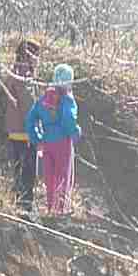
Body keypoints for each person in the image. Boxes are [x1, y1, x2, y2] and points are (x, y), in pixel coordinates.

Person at [25, 64, 81, 216]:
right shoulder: (67, 99)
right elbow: (69, 119)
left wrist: (37, 138)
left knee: (49, 177)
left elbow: (30, 119)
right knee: (64, 175)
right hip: (63, 142)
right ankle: (61, 210)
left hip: (47, 142)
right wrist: (76, 132)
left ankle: (50, 207)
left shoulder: (44, 98)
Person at [4, 39, 41, 215]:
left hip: (14, 130)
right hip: (25, 132)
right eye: (36, 55)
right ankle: (25, 206)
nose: (38, 59)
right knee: (28, 171)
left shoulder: (14, 72)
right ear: (29, 55)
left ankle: (19, 202)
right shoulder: (23, 75)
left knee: (19, 168)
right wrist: (37, 130)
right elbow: (28, 105)